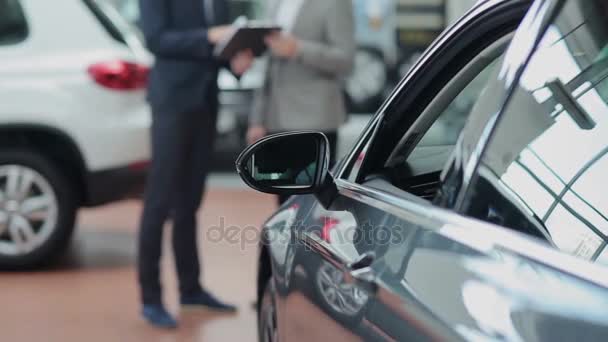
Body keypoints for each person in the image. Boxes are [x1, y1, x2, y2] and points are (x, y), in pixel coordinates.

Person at [137, 0, 253, 329]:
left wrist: (235, 60)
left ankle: (191, 291)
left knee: (189, 201)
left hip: (205, 102)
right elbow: (156, 39)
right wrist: (210, 35)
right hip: (172, 102)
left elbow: (221, 46)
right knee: (158, 202)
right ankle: (151, 298)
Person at [247, 0, 356, 183]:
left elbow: (346, 60)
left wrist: (298, 49)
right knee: (284, 197)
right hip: (277, 120)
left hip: (315, 121)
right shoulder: (275, 4)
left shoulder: (336, 3)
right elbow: (269, 68)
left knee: (314, 201)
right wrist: (257, 118)